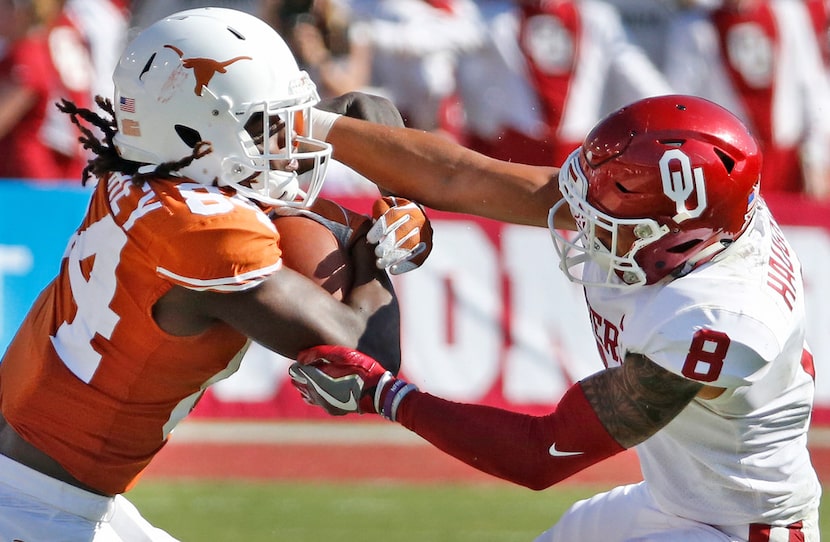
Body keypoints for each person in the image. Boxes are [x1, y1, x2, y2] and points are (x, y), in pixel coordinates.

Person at [290, 92, 821, 541]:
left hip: (742, 528)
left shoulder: (715, 315)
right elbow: (459, 176)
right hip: (680, 499)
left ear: (676, 236)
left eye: (605, 214)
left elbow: (540, 455)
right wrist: (300, 124)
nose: (582, 219)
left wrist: (384, 393)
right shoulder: (707, 218)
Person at [0, 7, 430, 539]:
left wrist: (366, 146)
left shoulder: (143, 166)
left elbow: (350, 114)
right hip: (39, 512)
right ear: (195, 133)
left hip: (35, 483)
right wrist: (378, 242)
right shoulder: (205, 235)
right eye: (264, 125)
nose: (287, 143)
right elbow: (365, 354)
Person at [455, 0, 672, 168]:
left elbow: (637, 75)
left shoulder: (596, 18)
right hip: (513, 152)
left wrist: (672, 114)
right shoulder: (493, 19)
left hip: (580, 153)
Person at [662, 0, 830, 200]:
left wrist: (817, 156)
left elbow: (812, 85)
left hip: (787, 162)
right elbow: (681, 103)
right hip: (728, 163)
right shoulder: (694, 26)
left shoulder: (788, 14)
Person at [0, 0, 94, 181]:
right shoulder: (51, 38)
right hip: (58, 170)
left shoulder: (27, 53)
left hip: (32, 176)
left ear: (19, 12)